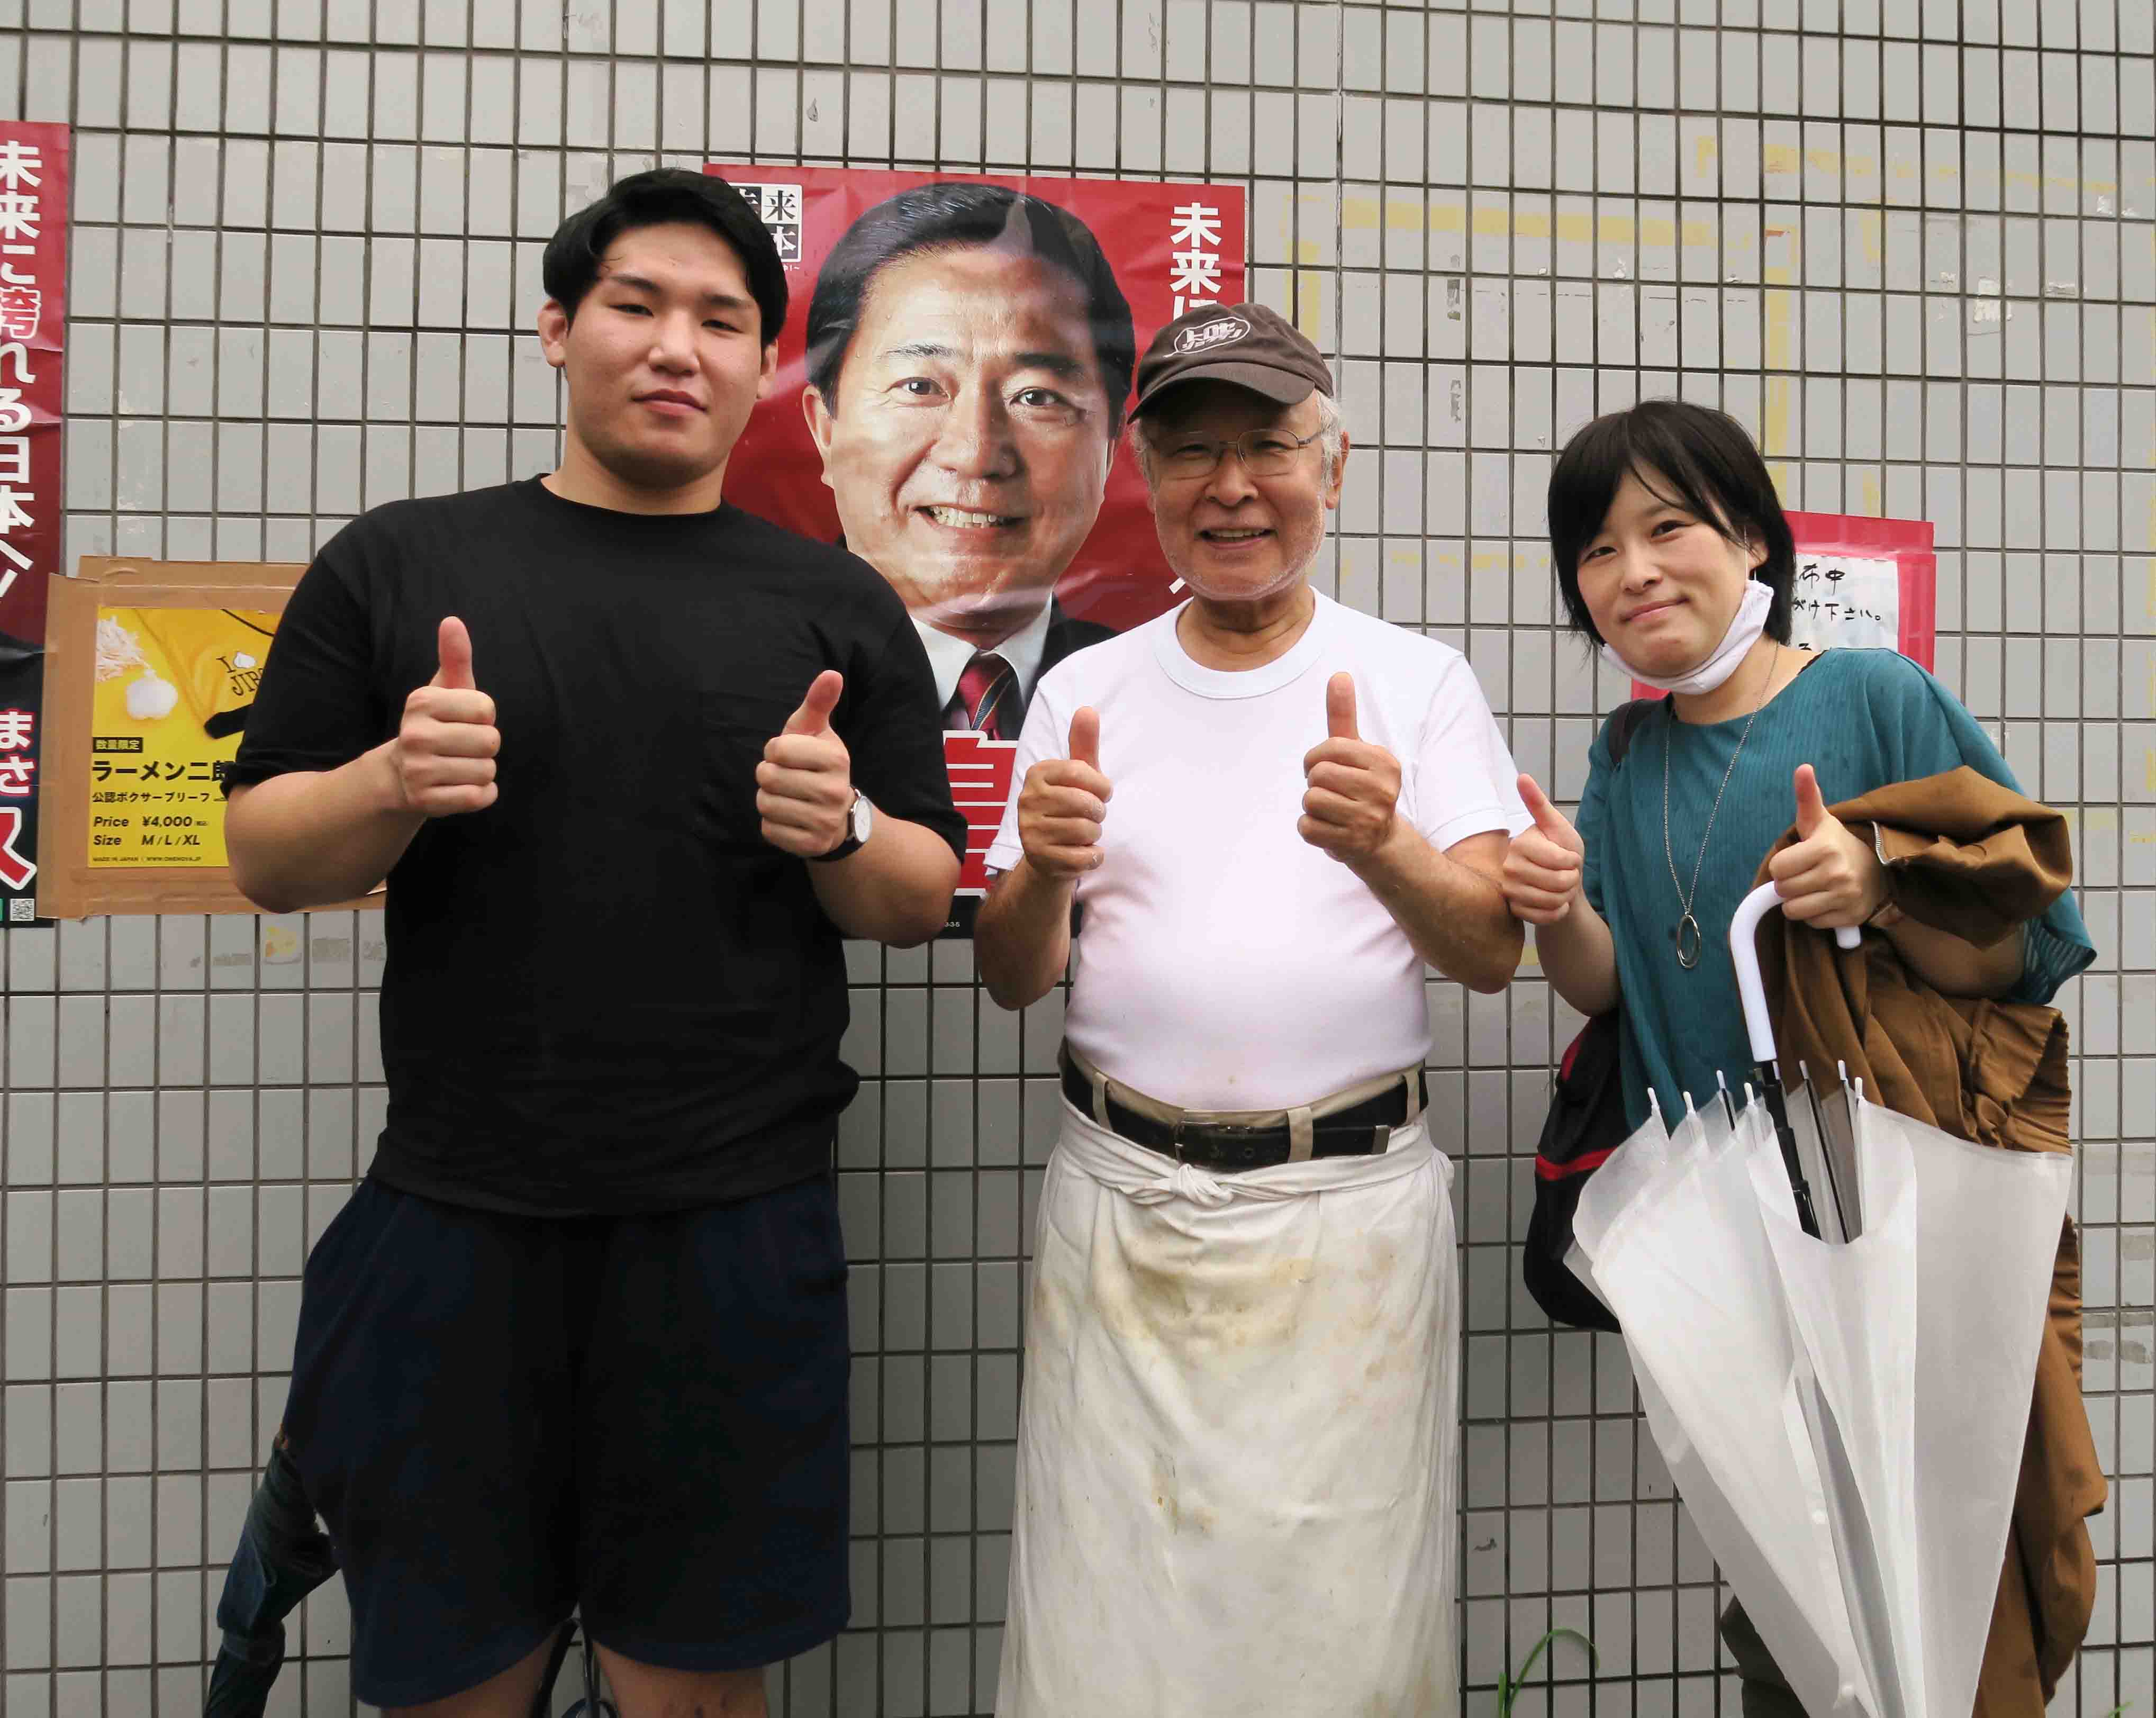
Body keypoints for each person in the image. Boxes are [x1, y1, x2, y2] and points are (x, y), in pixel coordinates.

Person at [220, 168, 965, 1718]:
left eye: (721, 319)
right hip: (453, 1216)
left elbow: (915, 896)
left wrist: (838, 828)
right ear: (557, 327)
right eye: (635, 305)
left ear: (764, 364)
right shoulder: (401, 563)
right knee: (451, 1677)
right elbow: (264, 852)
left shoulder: (833, 605)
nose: (674, 345)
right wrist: (388, 780)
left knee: (693, 1685)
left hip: (733, 1230)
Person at [1498, 397, 2097, 1718]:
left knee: (1946, 1577)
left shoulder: (1871, 696)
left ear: (1753, 541)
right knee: (1789, 1586)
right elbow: (1615, 982)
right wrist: (1555, 908)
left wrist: (1881, 885)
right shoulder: (1627, 747)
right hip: (1728, 1248)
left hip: (1894, 1234)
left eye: (1670, 527)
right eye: (1596, 549)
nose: (1635, 569)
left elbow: (2026, 957)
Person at [972, 303, 1530, 1717]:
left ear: (1330, 468)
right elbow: (1012, 970)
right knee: (1109, 1622)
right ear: (1142, 480)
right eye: (1191, 451)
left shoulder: (1418, 681)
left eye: (1269, 446)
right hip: (1122, 1207)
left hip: (1344, 1218)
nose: (1232, 486)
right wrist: (1038, 865)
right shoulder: (1083, 689)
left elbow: (1489, 952)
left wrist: (1383, 844)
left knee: (1341, 1631)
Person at [800, 182, 1137, 740]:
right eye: (920, 385)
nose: (976, 453)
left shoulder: (1147, 695)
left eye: (1037, 397)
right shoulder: (740, 672)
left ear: (1110, 444)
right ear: (825, 428)